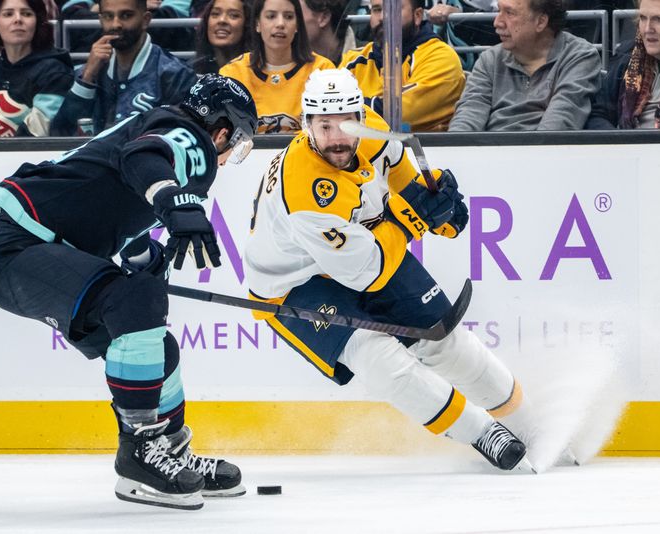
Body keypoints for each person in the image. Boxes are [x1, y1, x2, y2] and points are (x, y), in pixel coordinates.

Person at [0, 74, 258, 510]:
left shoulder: (161, 123)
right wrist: (178, 202)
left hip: (30, 250)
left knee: (157, 344)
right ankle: (139, 453)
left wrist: (148, 261)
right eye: (236, 147)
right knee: (136, 301)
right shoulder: (192, 142)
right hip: (22, 250)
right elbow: (143, 158)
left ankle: (166, 450)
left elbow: (120, 207)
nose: (226, 159)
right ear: (223, 132)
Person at [244, 69, 533, 472]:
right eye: (324, 126)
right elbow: (366, 274)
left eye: (346, 122)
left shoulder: (374, 132)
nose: (338, 137)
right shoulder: (306, 192)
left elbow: (405, 182)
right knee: (375, 356)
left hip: (366, 245)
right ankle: (482, 432)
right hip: (294, 285)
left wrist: (436, 209)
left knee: (444, 340)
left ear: (361, 116)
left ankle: (526, 419)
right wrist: (413, 219)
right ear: (307, 124)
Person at [449, 0, 601, 131]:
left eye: (509, 13)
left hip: (545, 158)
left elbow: (558, 128)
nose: (497, 22)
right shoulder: (490, 59)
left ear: (541, 22)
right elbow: (467, 118)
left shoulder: (579, 56)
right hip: (490, 155)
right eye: (499, 10)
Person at [51, 0, 197, 136]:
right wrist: (87, 78)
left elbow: (183, 139)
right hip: (91, 162)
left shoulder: (177, 75)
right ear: (100, 19)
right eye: (108, 16)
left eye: (126, 16)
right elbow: (59, 135)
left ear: (146, 20)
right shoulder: (87, 71)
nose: (116, 24)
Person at [341, 0, 465, 132]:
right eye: (377, 9)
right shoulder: (353, 59)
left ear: (417, 15)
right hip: (360, 149)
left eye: (393, 9)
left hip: (423, 150)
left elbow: (395, 115)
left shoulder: (442, 58)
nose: (383, 17)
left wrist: (343, 109)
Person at [0, 0, 73, 137]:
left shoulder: (55, 72)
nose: (18, 19)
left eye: (26, 14)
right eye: (8, 14)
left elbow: (39, 132)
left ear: (37, 23)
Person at [219, 0, 335, 133]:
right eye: (271, 16)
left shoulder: (323, 71)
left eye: (289, 17)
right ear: (257, 24)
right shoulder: (232, 74)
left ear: (297, 25)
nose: (280, 24)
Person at [587, 0, 660, 129]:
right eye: (643, 18)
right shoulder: (627, 55)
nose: (647, 28)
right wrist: (619, 144)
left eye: (659, 19)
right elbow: (599, 114)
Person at [190, 0, 251, 74]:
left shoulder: (260, 72)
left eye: (234, 15)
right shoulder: (191, 71)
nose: (222, 20)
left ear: (247, 24)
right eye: (215, 14)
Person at [299, 0, 357, 65]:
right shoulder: (289, 61)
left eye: (297, 14)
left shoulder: (366, 57)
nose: (287, 23)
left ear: (324, 18)